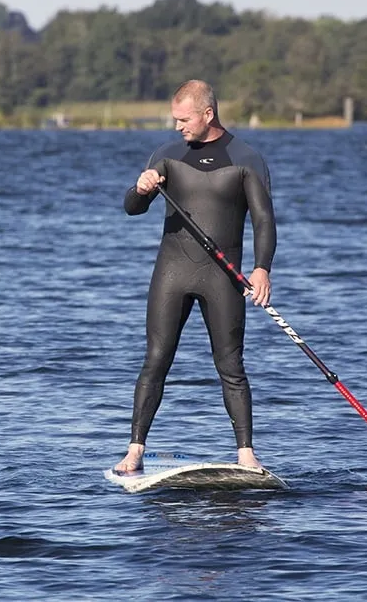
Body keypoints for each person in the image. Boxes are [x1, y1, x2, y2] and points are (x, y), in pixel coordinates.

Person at [115, 79, 277, 473]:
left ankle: (246, 454)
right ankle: (134, 450)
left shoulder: (246, 158)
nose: (177, 127)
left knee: (231, 364)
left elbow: (264, 220)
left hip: (223, 276)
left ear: (208, 114)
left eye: (184, 119)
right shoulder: (167, 154)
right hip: (172, 272)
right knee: (156, 360)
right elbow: (132, 208)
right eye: (174, 120)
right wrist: (140, 187)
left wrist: (261, 269)